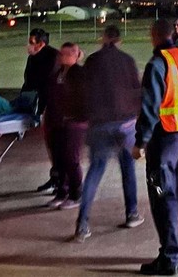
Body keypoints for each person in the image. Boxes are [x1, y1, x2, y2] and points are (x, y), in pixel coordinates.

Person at [133, 18, 178, 276]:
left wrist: (140, 142)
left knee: (162, 195)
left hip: (164, 142)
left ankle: (169, 257)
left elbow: (150, 109)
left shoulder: (157, 64)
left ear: (154, 36)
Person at [70, 23, 144, 242]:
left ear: (103, 39)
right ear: (119, 40)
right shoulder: (128, 60)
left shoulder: (92, 61)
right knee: (128, 167)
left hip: (99, 123)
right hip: (125, 124)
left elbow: (82, 91)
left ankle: (82, 224)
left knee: (95, 171)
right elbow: (136, 91)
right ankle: (131, 213)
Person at [44, 42, 86, 209]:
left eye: (66, 54)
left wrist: (76, 117)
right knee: (58, 158)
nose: (62, 57)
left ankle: (76, 194)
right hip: (57, 122)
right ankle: (62, 191)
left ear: (75, 55)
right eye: (61, 54)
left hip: (74, 124)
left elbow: (84, 99)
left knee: (71, 159)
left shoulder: (80, 74)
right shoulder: (58, 74)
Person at [21, 28, 59, 192]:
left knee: (57, 146)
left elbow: (42, 80)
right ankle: (55, 177)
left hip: (54, 105)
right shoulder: (34, 57)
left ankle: (61, 181)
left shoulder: (53, 57)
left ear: (41, 44)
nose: (29, 45)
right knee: (51, 146)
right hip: (43, 104)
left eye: (32, 42)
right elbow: (28, 81)